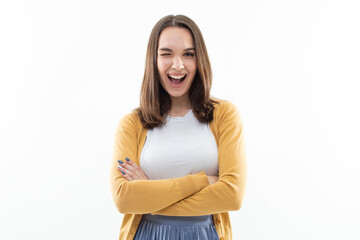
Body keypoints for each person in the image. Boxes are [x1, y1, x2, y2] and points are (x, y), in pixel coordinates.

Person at [110, 14, 247, 240]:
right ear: (153, 60)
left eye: (188, 54)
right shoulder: (132, 124)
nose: (178, 64)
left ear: (199, 59)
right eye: (166, 54)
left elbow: (232, 196)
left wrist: (149, 197)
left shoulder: (224, 116)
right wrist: (203, 180)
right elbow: (124, 199)